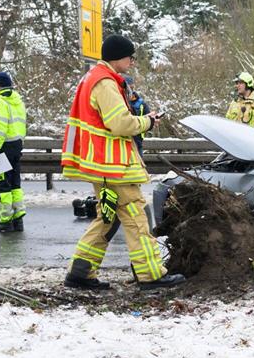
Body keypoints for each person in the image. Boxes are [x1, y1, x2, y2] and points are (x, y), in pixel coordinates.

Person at [61, 34, 184, 290]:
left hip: (101, 166)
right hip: (114, 167)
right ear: (119, 56)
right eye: (130, 57)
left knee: (107, 217)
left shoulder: (92, 78)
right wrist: (147, 122)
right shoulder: (105, 82)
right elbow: (120, 124)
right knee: (135, 215)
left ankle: (80, 272)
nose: (132, 62)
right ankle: (151, 275)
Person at [0, 71, 27, 233]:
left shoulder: (0, 101)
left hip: (3, 147)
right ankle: (18, 219)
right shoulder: (17, 101)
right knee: (15, 184)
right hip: (16, 145)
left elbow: (0, 128)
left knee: (2, 184)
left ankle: (5, 220)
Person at [123, 74, 150, 157]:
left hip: (137, 139)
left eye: (132, 87)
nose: (130, 90)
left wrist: (151, 120)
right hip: (124, 138)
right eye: (129, 87)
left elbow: (147, 116)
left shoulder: (141, 103)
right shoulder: (120, 101)